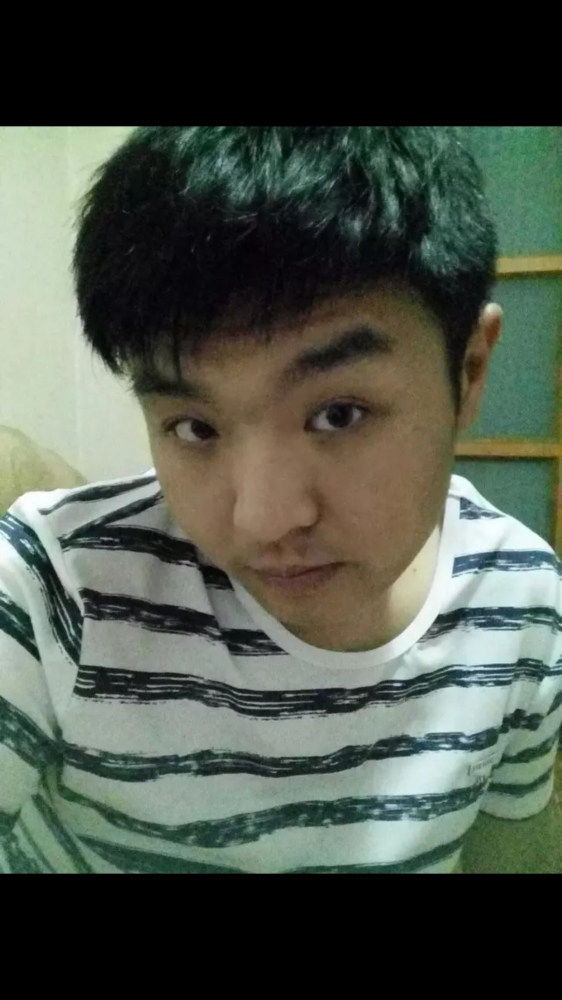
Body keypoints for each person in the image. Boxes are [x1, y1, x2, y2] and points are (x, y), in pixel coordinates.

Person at [1, 126, 560, 875]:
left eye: (339, 414)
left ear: (469, 370)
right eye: (194, 427)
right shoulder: (54, 592)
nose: (262, 521)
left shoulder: (523, 601)